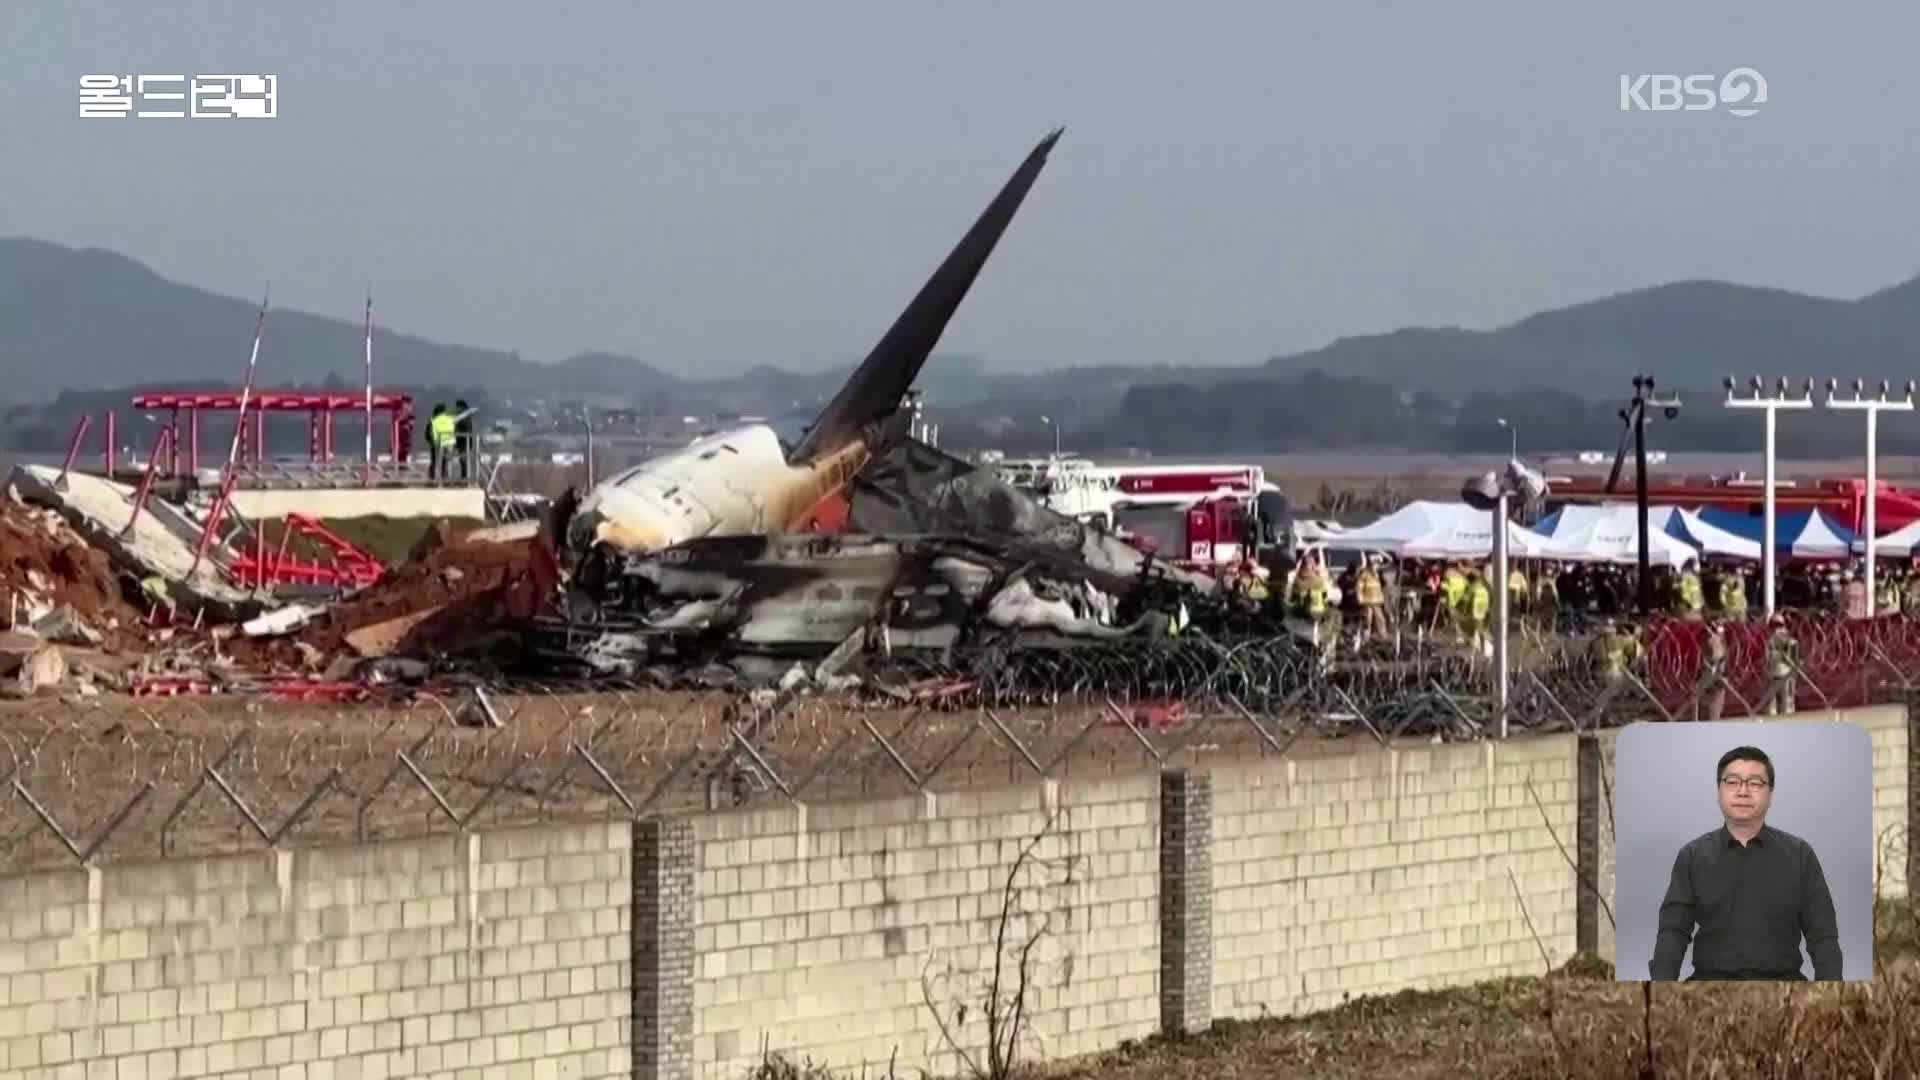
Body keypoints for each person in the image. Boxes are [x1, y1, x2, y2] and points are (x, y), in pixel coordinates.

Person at [1649, 746, 1842, 981]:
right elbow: (1673, 932)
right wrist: (1662, 989)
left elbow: (1823, 935)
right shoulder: (1692, 856)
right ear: (1718, 791)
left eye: (1755, 783)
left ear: (1770, 794)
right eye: (1732, 782)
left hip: (1783, 985)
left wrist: (1830, 991)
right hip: (1709, 986)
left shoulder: (1800, 855)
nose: (1743, 791)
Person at [427, 403, 454, 480]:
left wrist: (435, 442)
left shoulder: (434, 420)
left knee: (437, 460)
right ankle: (446, 476)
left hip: (440, 442)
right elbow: (452, 429)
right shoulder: (449, 419)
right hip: (450, 441)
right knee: (447, 461)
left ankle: (436, 477)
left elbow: (434, 433)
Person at [453, 398, 477, 480]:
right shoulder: (465, 416)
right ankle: (464, 475)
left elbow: (465, 428)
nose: (456, 409)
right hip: (462, 441)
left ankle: (464, 476)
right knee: (462, 459)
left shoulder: (464, 417)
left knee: (463, 459)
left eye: (458, 407)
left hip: (464, 441)